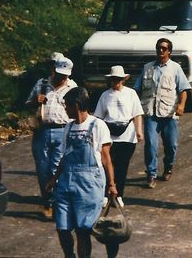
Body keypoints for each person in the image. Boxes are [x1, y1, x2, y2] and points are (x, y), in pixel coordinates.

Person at [46, 87, 117, 258]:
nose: (65, 109)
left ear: (76, 105)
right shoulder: (68, 127)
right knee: (62, 228)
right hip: (66, 181)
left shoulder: (98, 125)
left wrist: (112, 184)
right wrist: (54, 178)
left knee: (82, 230)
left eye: (67, 106)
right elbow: (64, 156)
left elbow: (106, 157)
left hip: (89, 183)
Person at [134, 38, 191, 189]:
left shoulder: (175, 68)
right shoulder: (147, 68)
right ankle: (151, 174)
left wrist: (181, 105)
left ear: (169, 51)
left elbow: (184, 89)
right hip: (151, 112)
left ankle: (168, 167)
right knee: (151, 145)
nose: (161, 51)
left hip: (169, 113)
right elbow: (137, 89)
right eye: (159, 48)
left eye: (164, 49)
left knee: (171, 145)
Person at [26, 56, 77, 219]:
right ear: (54, 70)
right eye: (60, 74)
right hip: (42, 131)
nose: (63, 78)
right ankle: (47, 202)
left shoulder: (72, 86)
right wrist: (35, 100)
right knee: (42, 170)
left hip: (63, 131)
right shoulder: (42, 84)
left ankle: (57, 204)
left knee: (58, 169)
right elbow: (27, 104)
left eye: (65, 75)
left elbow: (78, 110)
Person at [94, 65, 144, 207]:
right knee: (107, 166)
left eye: (118, 79)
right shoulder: (105, 95)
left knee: (122, 166)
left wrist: (139, 130)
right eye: (113, 79)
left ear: (123, 80)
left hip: (127, 135)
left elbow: (137, 113)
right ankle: (105, 194)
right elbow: (98, 117)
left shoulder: (131, 93)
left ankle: (119, 195)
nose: (116, 82)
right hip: (109, 135)